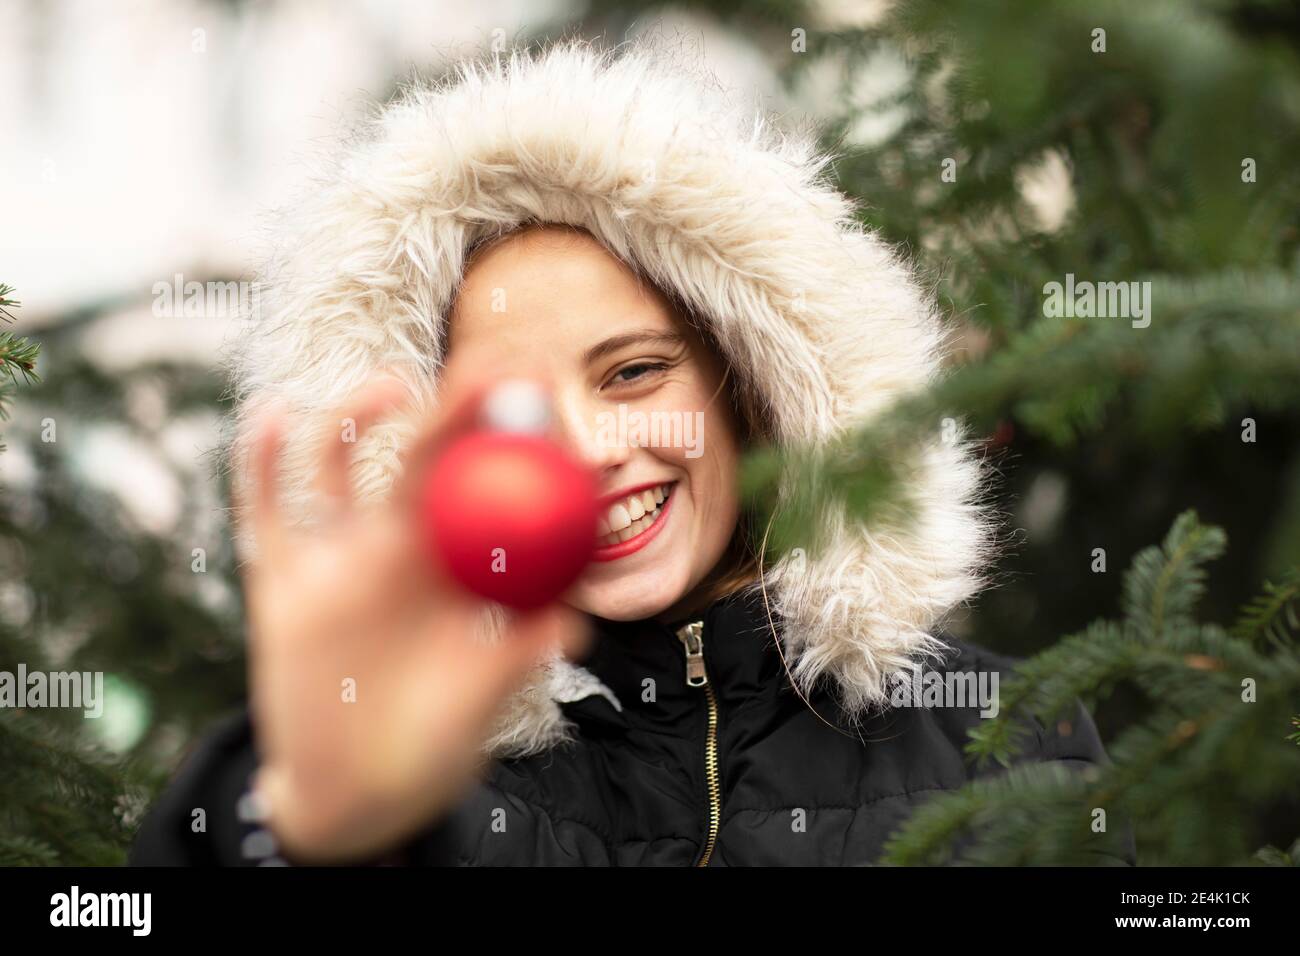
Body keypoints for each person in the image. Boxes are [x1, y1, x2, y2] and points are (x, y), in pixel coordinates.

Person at [130, 37, 1133, 867]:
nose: (588, 450)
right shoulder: (443, 793)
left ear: (749, 381)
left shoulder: (998, 732)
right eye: (510, 413)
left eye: (632, 373)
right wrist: (299, 816)